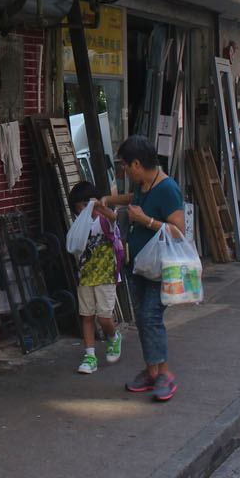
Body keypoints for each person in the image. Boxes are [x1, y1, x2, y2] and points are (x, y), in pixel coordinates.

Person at [104, 135, 185, 402]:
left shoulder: (167, 189)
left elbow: (178, 231)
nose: (125, 170)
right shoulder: (144, 184)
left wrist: (146, 220)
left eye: (126, 165)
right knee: (142, 318)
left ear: (136, 164)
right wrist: (110, 201)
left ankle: (165, 374)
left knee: (150, 317)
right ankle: (151, 372)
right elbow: (135, 198)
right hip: (139, 265)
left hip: (159, 267)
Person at [67, 180, 124, 375]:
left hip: (106, 275)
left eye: (84, 206)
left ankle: (113, 337)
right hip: (85, 276)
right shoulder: (79, 225)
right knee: (87, 315)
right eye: (78, 208)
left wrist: (99, 205)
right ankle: (90, 355)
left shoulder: (103, 221)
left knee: (104, 317)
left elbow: (113, 217)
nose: (82, 210)